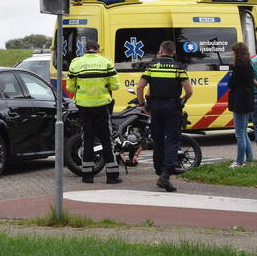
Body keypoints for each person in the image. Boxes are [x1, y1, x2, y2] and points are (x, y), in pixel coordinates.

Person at [136, 40, 193, 192]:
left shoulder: (152, 66)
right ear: (173, 52)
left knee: (158, 139)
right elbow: (189, 90)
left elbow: (140, 86)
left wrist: (142, 103)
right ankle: (166, 175)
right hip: (172, 107)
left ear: (161, 50)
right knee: (173, 140)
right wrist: (183, 101)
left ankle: (159, 170)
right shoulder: (179, 67)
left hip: (155, 107)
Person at [67, 40, 122, 184]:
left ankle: (87, 176)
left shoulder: (76, 64)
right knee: (106, 139)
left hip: (84, 107)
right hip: (102, 105)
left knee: (88, 140)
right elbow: (115, 85)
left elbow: (71, 88)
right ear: (98, 49)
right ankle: (112, 176)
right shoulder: (106, 62)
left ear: (85, 49)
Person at [227, 42, 255, 168]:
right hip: (247, 101)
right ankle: (249, 160)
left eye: (234, 52)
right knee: (244, 132)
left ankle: (239, 161)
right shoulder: (249, 65)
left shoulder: (238, 67)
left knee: (239, 134)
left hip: (239, 102)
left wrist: (230, 76)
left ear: (237, 53)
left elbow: (231, 84)